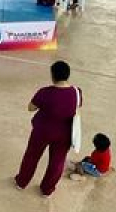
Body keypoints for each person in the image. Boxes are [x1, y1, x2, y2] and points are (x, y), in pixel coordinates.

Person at [14, 60, 81, 197]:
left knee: (32, 156)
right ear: (68, 75)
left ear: (53, 75)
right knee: (57, 161)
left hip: (42, 131)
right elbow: (76, 108)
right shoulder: (76, 92)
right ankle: (47, 189)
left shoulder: (45, 92)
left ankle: (22, 182)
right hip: (64, 133)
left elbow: (30, 108)